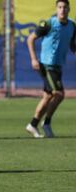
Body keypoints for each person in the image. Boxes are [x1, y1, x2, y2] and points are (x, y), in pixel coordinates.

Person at [26, 0, 76, 138]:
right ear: (56, 9)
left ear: (69, 9)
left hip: (58, 65)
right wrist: (33, 59)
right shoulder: (49, 24)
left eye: (65, 7)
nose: (62, 10)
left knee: (48, 96)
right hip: (46, 64)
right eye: (60, 7)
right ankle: (46, 123)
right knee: (59, 94)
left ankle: (33, 124)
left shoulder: (72, 25)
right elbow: (30, 39)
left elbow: (73, 45)